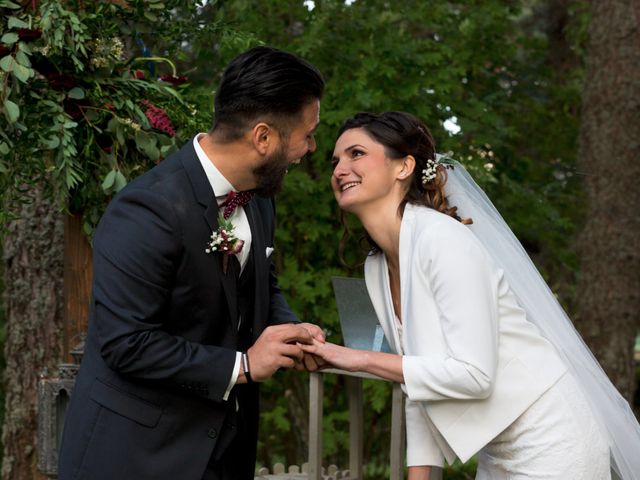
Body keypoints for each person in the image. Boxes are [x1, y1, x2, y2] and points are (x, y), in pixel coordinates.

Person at [302, 111, 640, 479]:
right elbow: (419, 386)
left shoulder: (442, 239)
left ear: (404, 167)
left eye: (356, 154)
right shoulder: (376, 268)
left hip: (555, 439)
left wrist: (355, 358)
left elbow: (474, 374)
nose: (339, 169)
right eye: (335, 160)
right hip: (499, 452)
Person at [58, 46, 326, 480]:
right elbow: (127, 342)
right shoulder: (147, 209)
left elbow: (261, 285)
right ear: (263, 138)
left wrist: (290, 331)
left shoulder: (258, 198)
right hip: (136, 455)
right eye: (307, 134)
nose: (310, 148)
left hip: (222, 450)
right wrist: (243, 366)